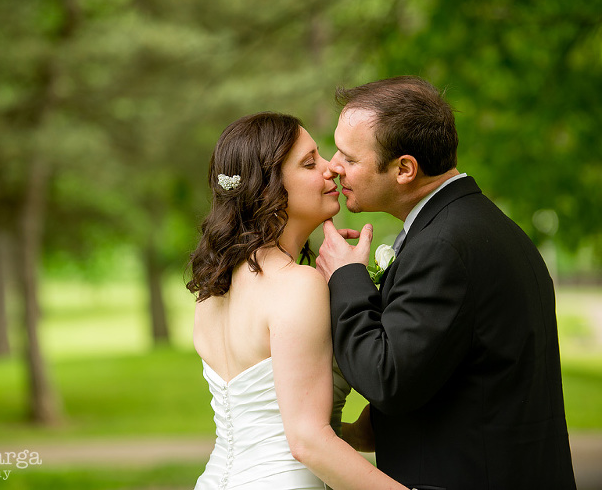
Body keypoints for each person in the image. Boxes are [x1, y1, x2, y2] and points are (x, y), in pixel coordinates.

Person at [316, 76, 576, 489]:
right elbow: (452, 366)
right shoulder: (480, 226)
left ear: (404, 169)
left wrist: (345, 278)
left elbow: (387, 378)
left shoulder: (444, 247)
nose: (334, 166)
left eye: (349, 157)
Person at [187, 112, 404, 489]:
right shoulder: (297, 285)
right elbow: (307, 442)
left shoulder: (212, 289)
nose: (331, 168)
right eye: (309, 163)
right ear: (267, 189)